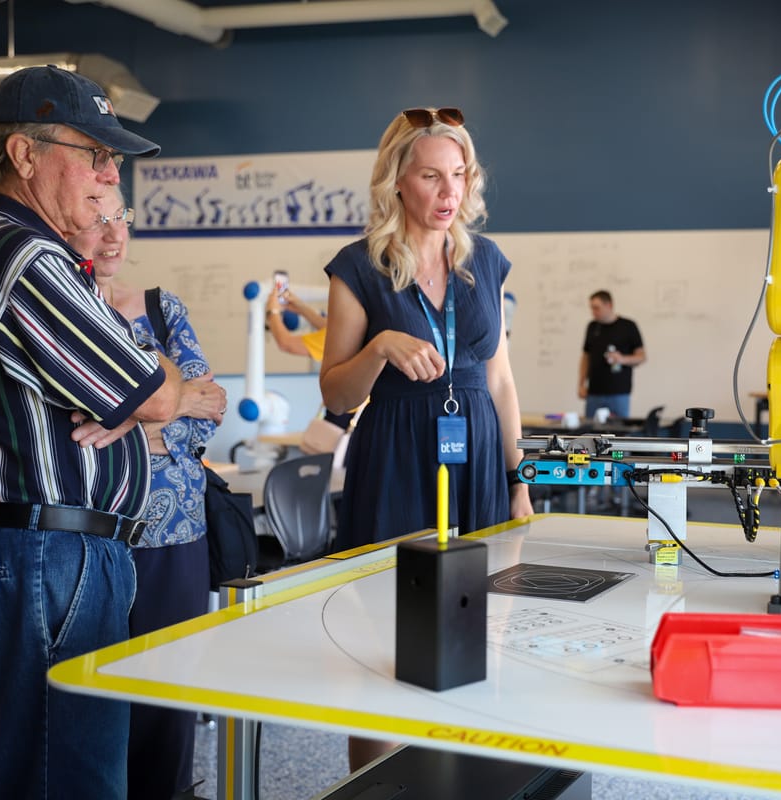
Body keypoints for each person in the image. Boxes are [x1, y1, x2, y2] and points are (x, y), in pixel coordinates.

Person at [0, 65, 181, 799]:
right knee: (66, 781)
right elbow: (161, 394)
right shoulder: (26, 256)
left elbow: (147, 393)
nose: (111, 177)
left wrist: (139, 396)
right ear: (23, 154)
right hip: (48, 557)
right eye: (95, 154)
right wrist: (142, 395)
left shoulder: (39, 257)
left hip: (56, 556)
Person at [317, 107, 533, 768]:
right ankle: (380, 785)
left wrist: (517, 478)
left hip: (476, 465)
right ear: (398, 182)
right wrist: (379, 347)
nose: (449, 193)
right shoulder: (357, 267)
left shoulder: (487, 262)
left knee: (477, 630)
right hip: (393, 457)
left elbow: (499, 380)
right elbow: (335, 394)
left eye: (459, 176)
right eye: (433, 177)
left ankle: (459, 774)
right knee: (384, 637)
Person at [69, 188, 226, 800]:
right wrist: (168, 404)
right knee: (94, 702)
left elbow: (207, 413)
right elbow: (74, 434)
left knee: (167, 704)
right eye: (96, 221)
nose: (112, 236)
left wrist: (129, 420)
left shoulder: (163, 309)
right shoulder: (66, 311)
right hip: (87, 540)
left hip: (175, 537)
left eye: (120, 220)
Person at [265, 287, 357, 433]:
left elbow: (286, 343)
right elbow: (331, 327)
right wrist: (301, 307)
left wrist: (272, 312)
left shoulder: (341, 337)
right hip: (364, 411)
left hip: (346, 416)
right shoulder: (363, 324)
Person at [578, 290, 645, 420]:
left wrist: (622, 359)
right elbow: (586, 357)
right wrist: (581, 384)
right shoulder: (592, 327)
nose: (593, 312)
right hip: (594, 392)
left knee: (619, 433)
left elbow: (642, 356)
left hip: (619, 393)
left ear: (609, 305)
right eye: (591, 308)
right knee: (589, 432)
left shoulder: (628, 326)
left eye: (596, 308)